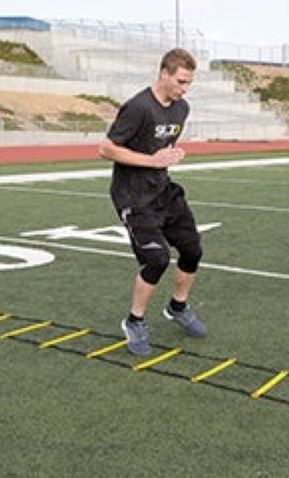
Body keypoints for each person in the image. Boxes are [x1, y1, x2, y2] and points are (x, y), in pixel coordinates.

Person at [97, 48, 206, 356]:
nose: (185, 89)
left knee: (192, 249)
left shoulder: (181, 109)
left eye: (189, 83)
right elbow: (105, 149)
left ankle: (177, 307)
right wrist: (152, 160)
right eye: (181, 82)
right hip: (133, 196)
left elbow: (162, 148)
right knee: (156, 260)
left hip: (163, 191)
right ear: (164, 74)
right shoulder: (138, 107)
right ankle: (134, 321)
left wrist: (171, 156)